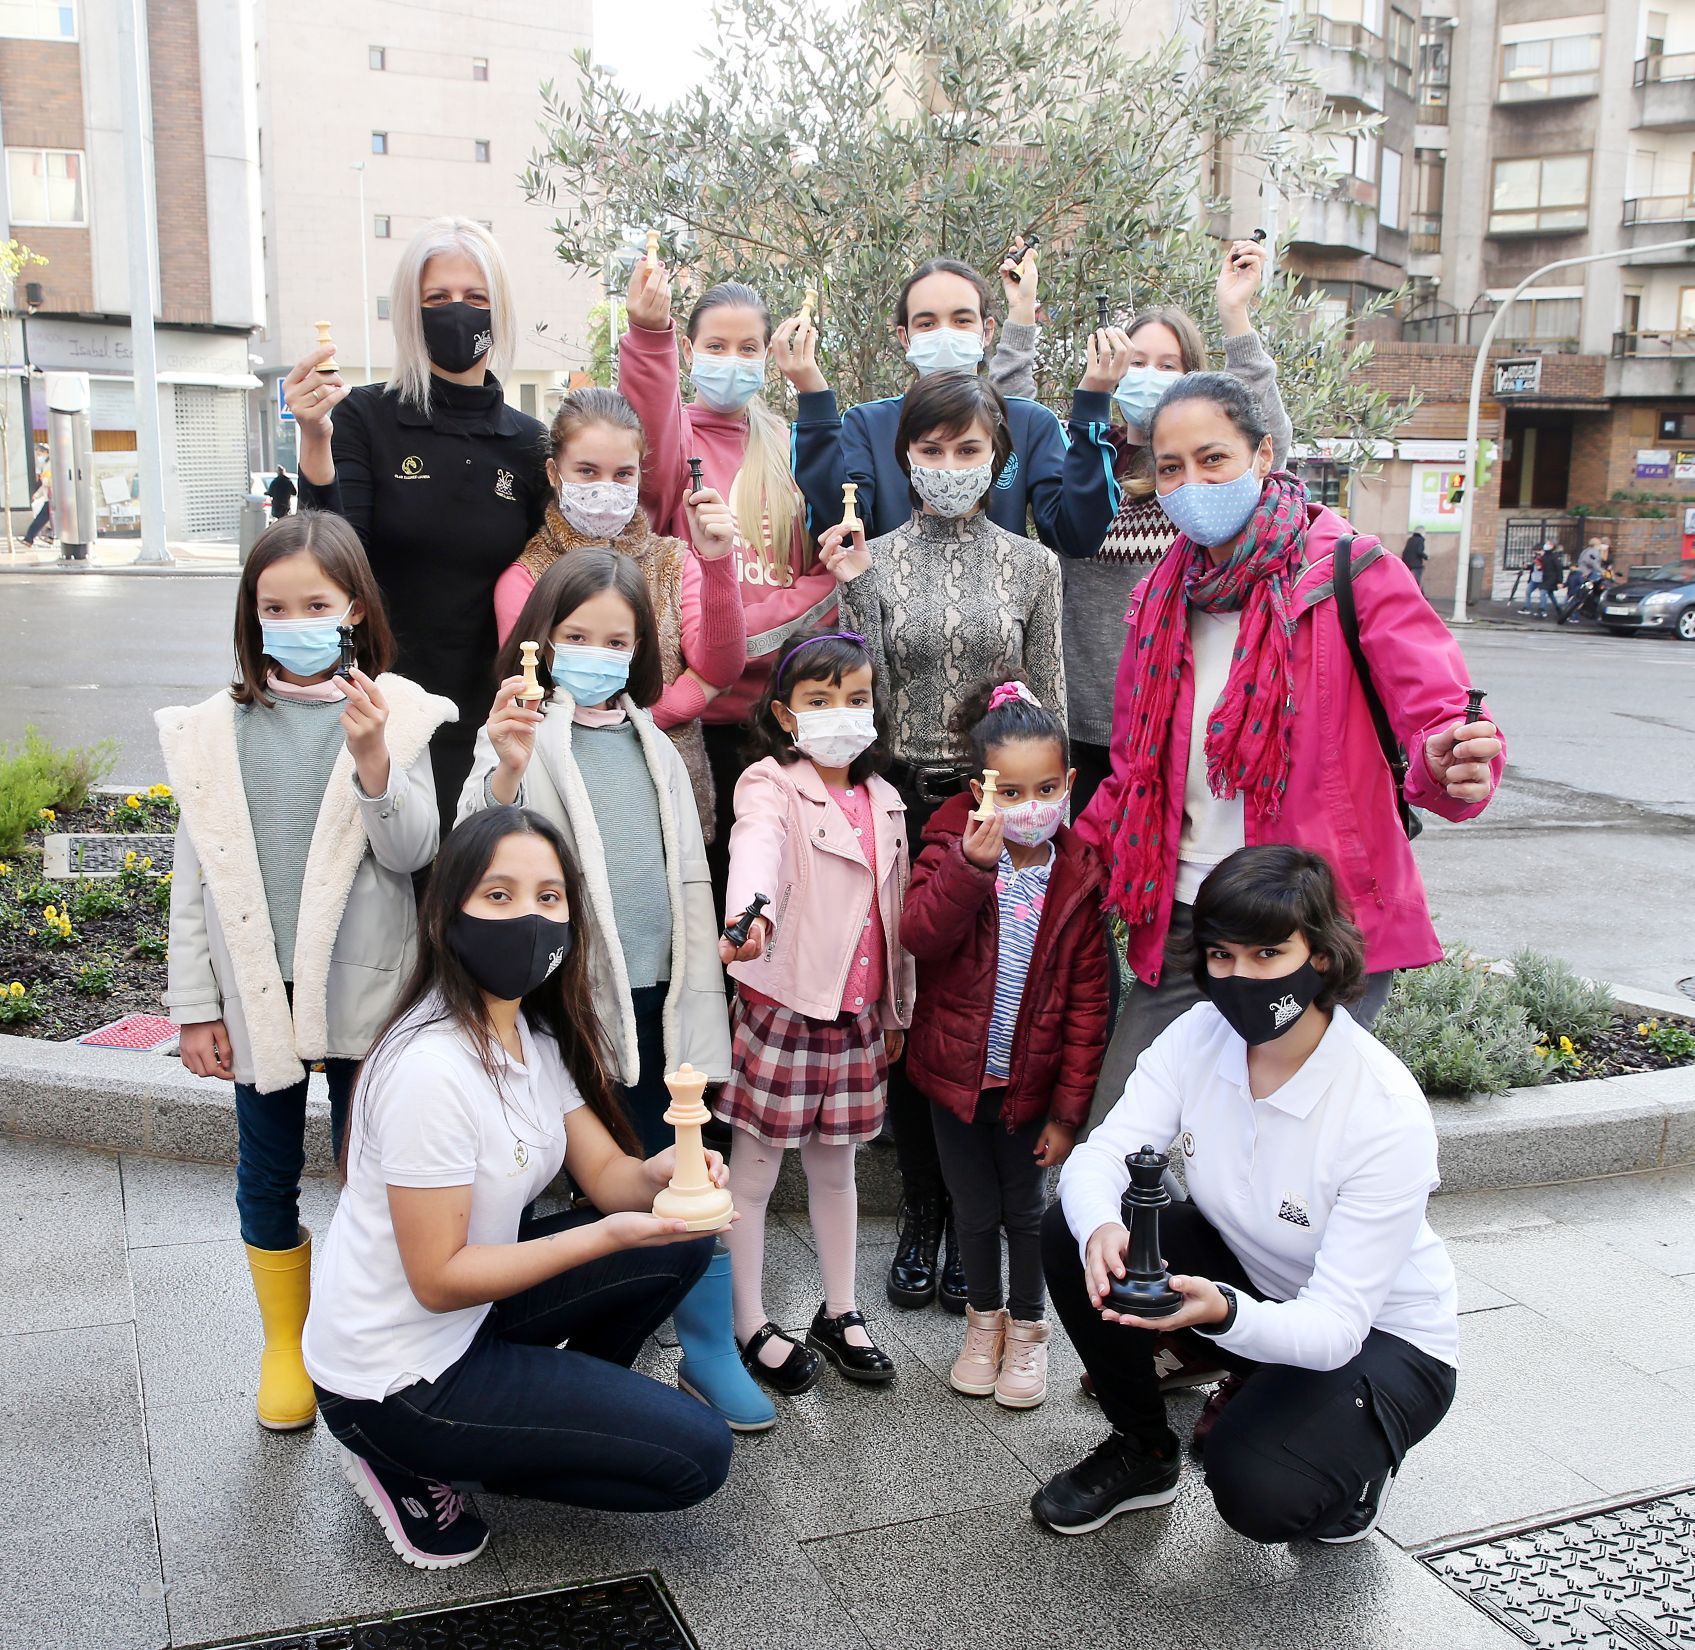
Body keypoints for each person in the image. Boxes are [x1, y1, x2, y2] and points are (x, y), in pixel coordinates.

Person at [302, 808, 732, 1568]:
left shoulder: (528, 1035)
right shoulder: (430, 1069)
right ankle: (410, 1459)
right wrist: (603, 1232)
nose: (529, 919)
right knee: (698, 1457)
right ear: (447, 914)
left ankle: (545, 1416)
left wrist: (665, 1175)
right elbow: (437, 1281)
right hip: (398, 1378)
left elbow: (608, 1177)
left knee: (680, 1242)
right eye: (498, 896)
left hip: (474, 1318)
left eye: (548, 896)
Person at [1076, 372, 1504, 1135]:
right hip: (1187, 917)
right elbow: (1137, 769)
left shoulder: (1350, 571)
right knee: (1119, 1129)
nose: (1191, 483)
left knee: (1288, 1143)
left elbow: (1436, 716)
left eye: (1212, 459)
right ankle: (1162, 1258)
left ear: (1263, 452)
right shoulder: (1158, 598)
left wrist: (1451, 761)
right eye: (1170, 467)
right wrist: (1061, 858)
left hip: (1313, 917)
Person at [1032, 846, 1459, 1546]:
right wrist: (1101, 1226)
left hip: (1382, 1340)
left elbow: (1334, 1328)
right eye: (1221, 955)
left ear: (1320, 955)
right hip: (1261, 1281)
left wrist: (1226, 1313)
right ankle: (1142, 1452)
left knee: (1260, 1491)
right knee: (1067, 1231)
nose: (1239, 977)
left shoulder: (1382, 1113)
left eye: (1267, 954)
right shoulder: (1198, 1035)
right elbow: (1101, 1154)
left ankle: (1358, 1458)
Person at [458, 548, 771, 1434]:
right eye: (575, 635)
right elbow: (471, 848)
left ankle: (707, 1347)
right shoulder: (517, 735)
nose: (595, 652)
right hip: (572, 1007)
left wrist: (712, 957)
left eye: (616, 639)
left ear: (639, 653)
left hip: (662, 998)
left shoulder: (653, 742)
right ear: (541, 641)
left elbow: (684, 876)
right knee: (598, 1173)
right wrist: (505, 764)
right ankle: (586, 1350)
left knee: (685, 1160)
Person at [156, 511, 453, 1433]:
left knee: (368, 1168)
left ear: (352, 609)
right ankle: (285, 1342)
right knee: (266, 1170)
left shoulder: (395, 712)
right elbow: (193, 875)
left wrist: (372, 762)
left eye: (313, 603)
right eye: (272, 605)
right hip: (258, 995)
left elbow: (413, 854)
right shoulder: (219, 728)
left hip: (367, 988)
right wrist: (195, 1005)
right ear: (251, 613)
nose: (292, 620)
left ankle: (371, 1330)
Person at [818, 369, 1065, 1316]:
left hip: (995, 814)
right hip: (900, 806)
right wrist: (848, 592)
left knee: (985, 1020)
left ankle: (974, 1222)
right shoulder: (871, 558)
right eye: (932, 451)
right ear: (905, 458)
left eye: (969, 450)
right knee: (915, 1019)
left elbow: (1048, 702)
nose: (951, 467)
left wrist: (1050, 839)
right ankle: (922, 1215)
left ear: (996, 457)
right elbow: (856, 684)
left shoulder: (1033, 567)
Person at [986, 238, 1292, 816]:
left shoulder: (1199, 481)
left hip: (1173, 714)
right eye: (1137, 362)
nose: (1149, 376)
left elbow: (1262, 438)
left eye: (1167, 365)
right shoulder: (1085, 459)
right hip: (1077, 716)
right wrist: (1021, 317)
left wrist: (1236, 316)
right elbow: (1009, 423)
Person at [284, 217, 550, 828]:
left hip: (492, 720)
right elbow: (334, 558)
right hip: (383, 709)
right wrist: (315, 439)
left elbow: (548, 582)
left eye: (475, 298)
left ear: (499, 310)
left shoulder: (530, 445)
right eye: (437, 299)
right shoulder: (363, 419)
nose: (457, 312)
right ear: (410, 309)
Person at [715, 629, 913, 1398]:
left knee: (837, 1170)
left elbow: (892, 917)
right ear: (785, 715)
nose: (841, 714)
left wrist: (896, 1008)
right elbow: (755, 850)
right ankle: (748, 1319)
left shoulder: (885, 798)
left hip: (859, 1016)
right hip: (785, 1005)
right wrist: (750, 917)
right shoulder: (769, 783)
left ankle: (840, 1310)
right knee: (754, 1175)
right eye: (820, 700)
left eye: (856, 699)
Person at [901, 680, 1109, 1409]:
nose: (1031, 806)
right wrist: (969, 867)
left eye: (1046, 788)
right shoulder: (948, 848)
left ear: (1068, 783)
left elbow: (1089, 1008)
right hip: (956, 1081)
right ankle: (981, 1325)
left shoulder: (1079, 876)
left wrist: (1067, 1113)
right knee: (974, 1208)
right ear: (978, 789)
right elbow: (921, 935)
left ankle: (1028, 1333)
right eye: (1012, 791)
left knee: (1025, 1212)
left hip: (1032, 1090)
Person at [617, 259, 840, 885]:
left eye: (747, 348)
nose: (731, 359)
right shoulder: (670, 442)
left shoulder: (787, 443)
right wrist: (646, 335)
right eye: (715, 346)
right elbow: (645, 418)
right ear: (690, 351)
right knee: (694, 889)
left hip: (774, 719)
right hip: (683, 714)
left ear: (768, 355)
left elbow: (825, 569)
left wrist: (754, 624)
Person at [492, 387, 748, 832]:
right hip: (564, 805)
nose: (605, 489)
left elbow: (721, 666)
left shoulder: (673, 560)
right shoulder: (525, 577)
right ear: (555, 472)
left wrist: (718, 562)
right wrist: (687, 697)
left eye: (622, 474)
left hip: (671, 808)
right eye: (587, 472)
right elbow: (531, 693)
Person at [788, 256, 1113, 558]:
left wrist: (1093, 407)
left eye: (961, 320)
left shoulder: (1028, 423)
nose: (944, 333)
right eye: (927, 323)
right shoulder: (868, 425)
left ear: (986, 331)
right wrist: (814, 400)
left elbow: (1077, 537)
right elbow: (839, 533)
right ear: (905, 337)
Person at [22, 455, 51, 546]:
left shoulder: (50, 464)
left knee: (42, 517)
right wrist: (38, 494)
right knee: (47, 517)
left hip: (52, 497)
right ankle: (50, 536)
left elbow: (47, 481)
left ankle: (29, 538)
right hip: (53, 496)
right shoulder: (52, 463)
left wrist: (38, 493)